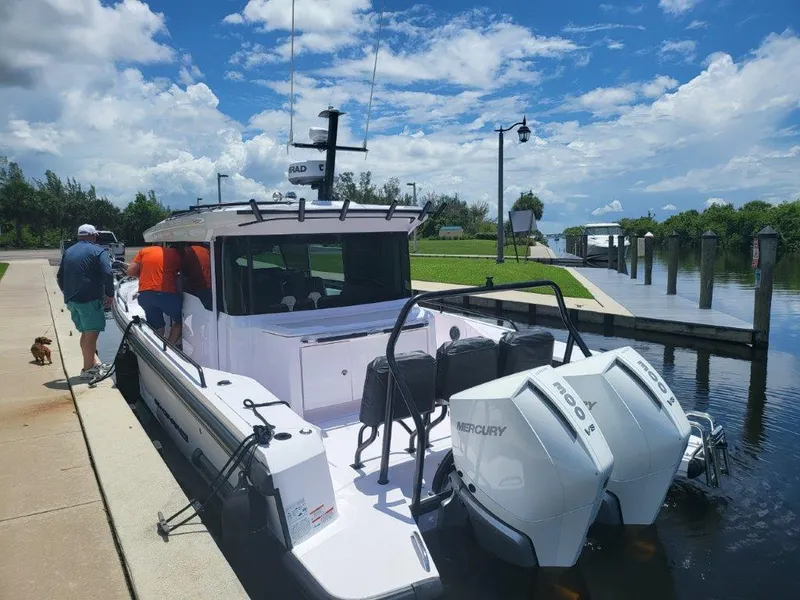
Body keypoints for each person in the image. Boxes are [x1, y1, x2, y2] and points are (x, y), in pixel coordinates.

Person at [57, 223, 114, 380]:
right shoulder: (98, 250)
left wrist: (66, 292)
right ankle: (88, 370)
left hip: (72, 300)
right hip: (89, 300)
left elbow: (60, 276)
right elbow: (108, 273)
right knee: (91, 335)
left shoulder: (68, 251)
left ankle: (91, 363)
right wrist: (110, 293)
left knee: (85, 333)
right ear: (93, 236)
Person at [127, 243, 183, 344]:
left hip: (145, 295)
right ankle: (170, 346)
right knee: (181, 321)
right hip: (167, 295)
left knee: (157, 325)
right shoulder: (176, 254)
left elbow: (130, 271)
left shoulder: (144, 251)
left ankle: (159, 347)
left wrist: (143, 275)